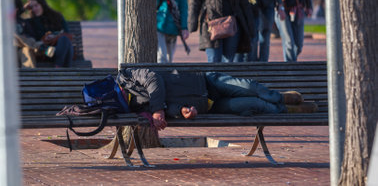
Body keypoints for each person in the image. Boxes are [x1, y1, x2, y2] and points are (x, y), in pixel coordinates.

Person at [117, 68, 314, 131]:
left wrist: (157, 108)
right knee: (254, 104)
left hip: (206, 82)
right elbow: (167, 108)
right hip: (208, 107)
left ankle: (281, 97)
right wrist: (183, 112)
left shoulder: (126, 77)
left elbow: (154, 78)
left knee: (250, 88)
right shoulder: (134, 107)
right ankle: (289, 111)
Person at [24, 0, 74, 67]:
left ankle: (58, 67)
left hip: (60, 48)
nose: (34, 9)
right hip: (45, 52)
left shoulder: (57, 16)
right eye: (31, 7)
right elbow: (33, 42)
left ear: (42, 4)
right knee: (65, 47)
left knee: (64, 40)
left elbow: (67, 33)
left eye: (36, 5)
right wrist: (23, 8)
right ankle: (60, 69)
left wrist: (55, 37)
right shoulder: (29, 22)